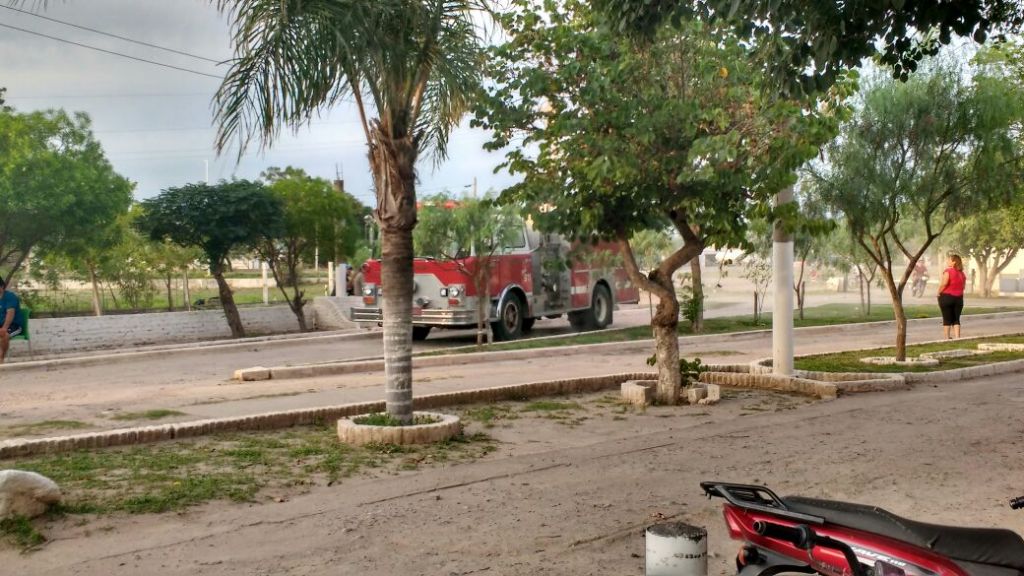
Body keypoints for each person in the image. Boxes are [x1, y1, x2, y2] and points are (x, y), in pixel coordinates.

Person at [936, 253, 966, 340]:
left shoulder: (948, 271)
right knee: (956, 319)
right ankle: (957, 337)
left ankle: (946, 338)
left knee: (947, 318)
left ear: (954, 262)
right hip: (959, 298)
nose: (947, 261)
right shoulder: (962, 274)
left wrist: (938, 292)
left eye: (949, 260)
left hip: (947, 297)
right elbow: (963, 286)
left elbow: (944, 283)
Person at [0, 275, 23, 364]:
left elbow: (10, 314)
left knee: (4, 335)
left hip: (13, 325)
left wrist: (4, 328)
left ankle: (1, 358)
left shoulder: (10, 296)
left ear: (2, 286)